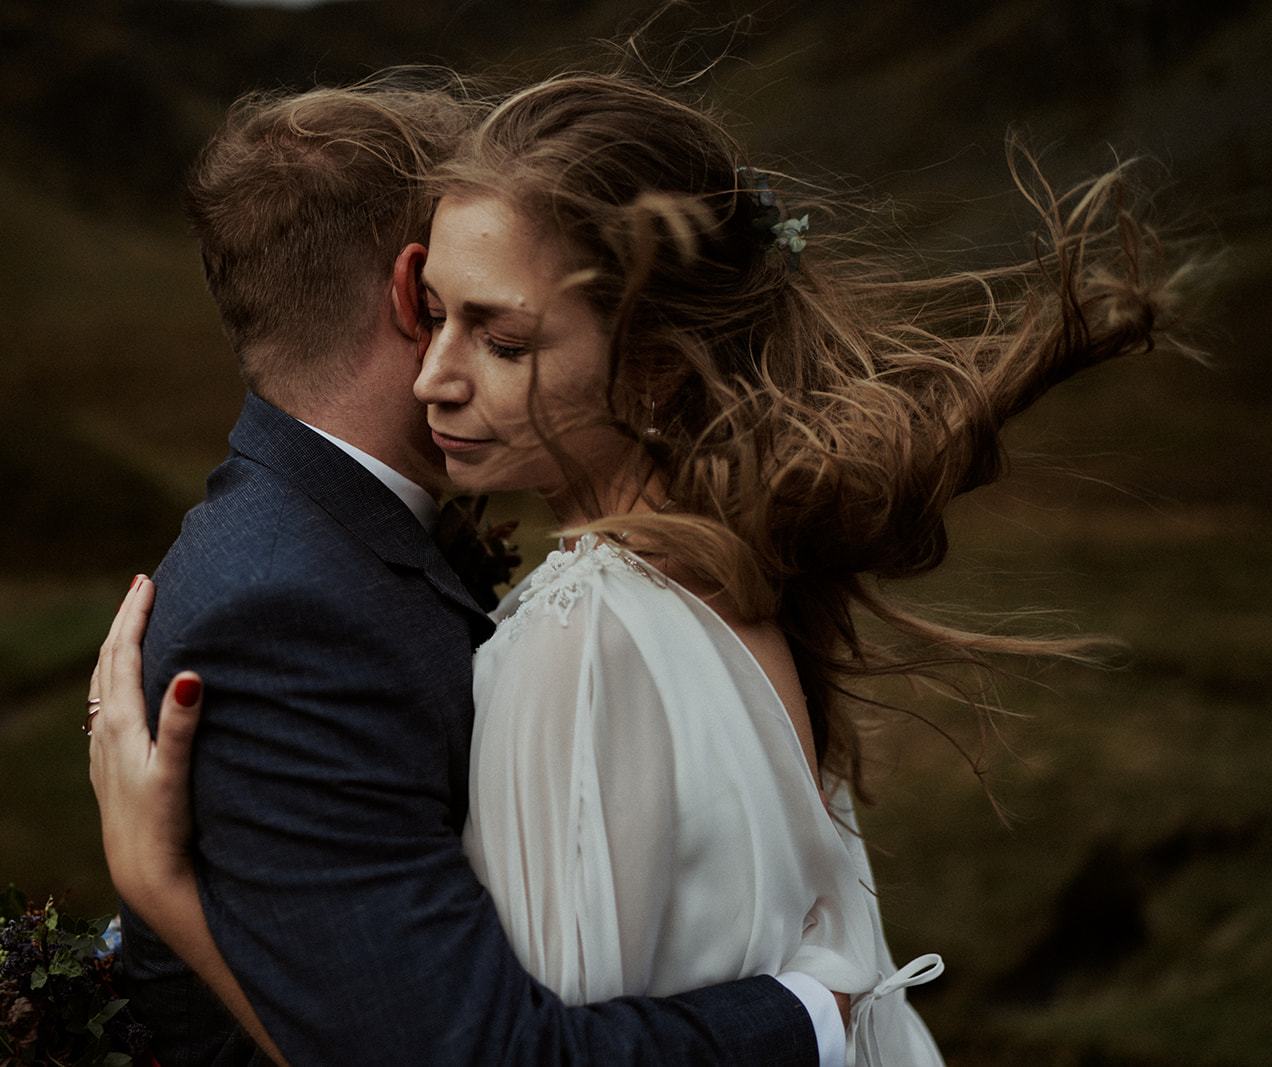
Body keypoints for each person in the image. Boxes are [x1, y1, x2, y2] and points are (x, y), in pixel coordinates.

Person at [89, 73, 849, 1067]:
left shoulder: (362, 547)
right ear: (416, 289)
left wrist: (168, 900)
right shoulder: (284, 616)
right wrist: (815, 1016)